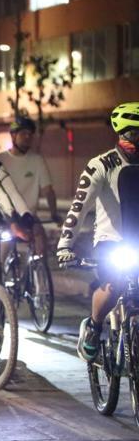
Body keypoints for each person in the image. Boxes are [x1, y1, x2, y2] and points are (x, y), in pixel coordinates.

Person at [57, 102, 139, 361]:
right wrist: (64, 246)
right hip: (112, 242)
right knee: (112, 286)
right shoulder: (101, 164)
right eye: (136, 132)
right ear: (125, 133)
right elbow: (78, 207)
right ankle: (93, 327)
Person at [0, 116, 61, 232]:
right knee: (2, 248)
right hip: (6, 218)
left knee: (40, 241)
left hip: (29, 218)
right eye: (24, 133)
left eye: (30, 134)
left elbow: (48, 190)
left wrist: (54, 213)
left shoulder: (37, 160)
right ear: (13, 136)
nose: (28, 137)